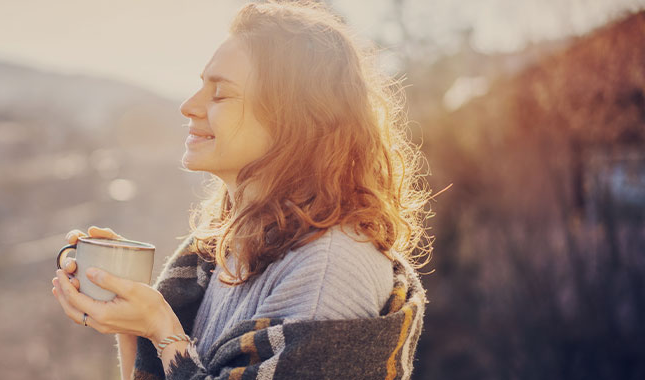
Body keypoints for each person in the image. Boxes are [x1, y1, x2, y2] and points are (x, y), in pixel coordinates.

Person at [49, 1, 434, 379]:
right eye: (201, 87)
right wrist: (129, 313)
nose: (188, 106)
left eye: (220, 94)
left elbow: (173, 347)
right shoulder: (227, 249)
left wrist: (161, 328)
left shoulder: (327, 270)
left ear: (293, 117)